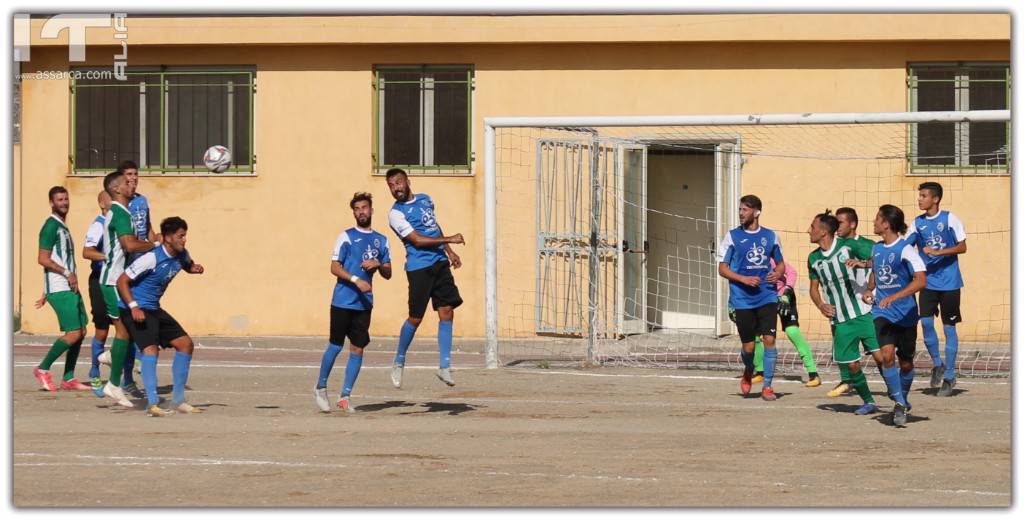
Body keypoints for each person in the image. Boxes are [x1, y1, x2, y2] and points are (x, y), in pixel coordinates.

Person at [807, 210, 908, 418]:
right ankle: (868, 401)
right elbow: (813, 288)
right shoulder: (814, 258)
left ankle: (898, 396)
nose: (809, 231)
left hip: (864, 314)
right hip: (840, 320)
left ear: (824, 232)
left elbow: (877, 257)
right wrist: (821, 305)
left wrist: (870, 281)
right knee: (852, 365)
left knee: (883, 357)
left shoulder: (849, 246)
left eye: (812, 227)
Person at [116, 216, 205, 417]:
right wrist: (134, 307)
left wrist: (194, 269)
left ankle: (178, 400)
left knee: (185, 344)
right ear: (167, 238)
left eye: (185, 235)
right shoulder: (151, 257)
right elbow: (122, 281)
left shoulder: (182, 254)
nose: (184, 240)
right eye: (180, 236)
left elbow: (187, 265)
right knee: (150, 350)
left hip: (153, 308)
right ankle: (153, 404)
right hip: (135, 307)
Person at [384, 168, 465, 388]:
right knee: (416, 318)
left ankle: (444, 366)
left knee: (447, 311)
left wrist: (449, 251)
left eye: (398, 182)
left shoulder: (426, 199)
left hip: (439, 263)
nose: (396, 188)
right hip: (419, 268)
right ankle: (399, 360)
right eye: (391, 185)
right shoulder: (396, 214)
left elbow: (433, 227)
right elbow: (418, 240)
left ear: (407, 181)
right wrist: (452, 239)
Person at [314, 192, 392, 413]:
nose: (361, 212)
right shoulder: (346, 236)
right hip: (342, 301)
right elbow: (334, 267)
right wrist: (356, 279)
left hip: (364, 304)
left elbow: (388, 272)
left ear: (371, 210)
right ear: (354, 212)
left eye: (364, 208)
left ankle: (345, 396)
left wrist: (378, 263)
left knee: (358, 349)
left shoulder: (382, 240)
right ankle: (320, 386)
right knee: (336, 346)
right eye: (357, 209)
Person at [716, 195, 786, 401]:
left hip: (767, 296)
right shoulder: (732, 237)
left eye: (745, 210)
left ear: (756, 212)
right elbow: (722, 269)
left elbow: (780, 263)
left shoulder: (771, 236)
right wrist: (743, 279)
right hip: (742, 299)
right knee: (749, 347)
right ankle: (748, 370)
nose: (740, 213)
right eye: (740, 209)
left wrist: (778, 273)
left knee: (770, 339)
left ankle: (767, 386)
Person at [865, 205, 927, 426]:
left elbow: (921, 281)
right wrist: (868, 291)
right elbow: (875, 276)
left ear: (886, 224)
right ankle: (900, 403)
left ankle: (902, 399)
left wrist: (896, 296)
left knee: (907, 364)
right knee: (887, 355)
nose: (873, 222)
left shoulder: (906, 250)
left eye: (877, 219)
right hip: (882, 312)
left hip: (906, 314)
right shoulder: (876, 249)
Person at [99, 170, 156, 407]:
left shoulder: (124, 212)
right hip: (112, 281)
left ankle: (111, 361)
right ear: (116, 189)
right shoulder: (121, 214)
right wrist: (154, 244)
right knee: (124, 331)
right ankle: (113, 382)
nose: (131, 183)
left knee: (126, 331)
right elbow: (129, 244)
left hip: (117, 279)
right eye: (126, 182)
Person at [906, 182, 967, 397]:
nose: (919, 199)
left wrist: (939, 252)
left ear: (935, 199)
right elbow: (905, 245)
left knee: (949, 328)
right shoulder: (917, 223)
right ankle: (937, 364)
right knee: (925, 323)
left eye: (923, 196)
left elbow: (962, 246)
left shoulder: (950, 219)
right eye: (919, 195)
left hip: (950, 283)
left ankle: (949, 376)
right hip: (928, 283)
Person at [33, 186, 91, 392]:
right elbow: (43, 258)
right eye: (59, 200)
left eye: (66, 199)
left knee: (81, 331)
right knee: (74, 332)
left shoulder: (62, 226)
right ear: (51, 203)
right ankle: (42, 368)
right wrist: (66, 274)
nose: (64, 203)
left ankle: (68, 378)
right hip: (61, 287)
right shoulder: (50, 226)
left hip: (66, 286)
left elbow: (55, 259)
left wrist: (45, 290)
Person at [825, 207, 874, 397]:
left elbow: (879, 258)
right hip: (840, 304)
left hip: (863, 306)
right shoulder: (835, 246)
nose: (836, 226)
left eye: (841, 222)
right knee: (840, 339)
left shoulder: (863, 244)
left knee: (877, 351)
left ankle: (892, 381)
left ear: (852, 224)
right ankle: (847, 380)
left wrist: (864, 264)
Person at [749, 258, 821, 387]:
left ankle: (813, 373)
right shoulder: (746, 262)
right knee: (755, 334)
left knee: (792, 331)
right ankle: (760, 372)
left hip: (784, 297)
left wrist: (787, 293)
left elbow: (792, 272)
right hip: (765, 299)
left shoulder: (771, 259)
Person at [119, 160, 155, 399]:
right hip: (125, 265)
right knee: (123, 325)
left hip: (142, 261)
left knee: (140, 316)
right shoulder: (119, 205)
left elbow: (149, 228)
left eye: (135, 174)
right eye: (128, 175)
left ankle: (129, 374)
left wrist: (155, 247)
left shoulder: (142, 201)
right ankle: (123, 374)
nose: (133, 178)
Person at [82, 190, 112, 397]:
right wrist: (107, 257)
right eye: (111, 197)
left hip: (116, 281)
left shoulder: (118, 224)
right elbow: (86, 251)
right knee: (102, 329)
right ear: (102, 202)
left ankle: (126, 377)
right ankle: (94, 370)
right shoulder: (98, 224)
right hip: (99, 280)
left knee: (126, 326)